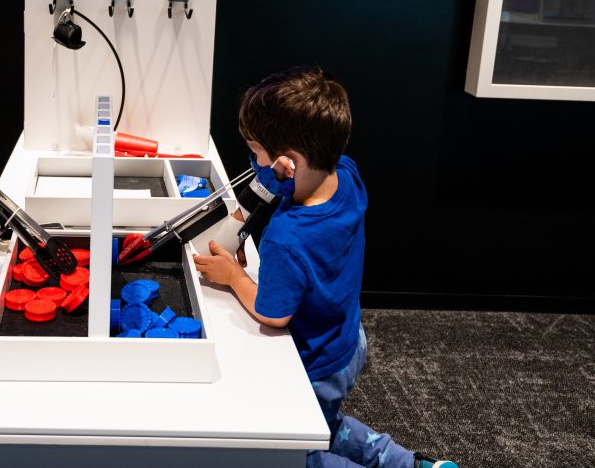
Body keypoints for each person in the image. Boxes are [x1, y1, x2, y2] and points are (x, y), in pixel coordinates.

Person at [193, 66, 457, 468]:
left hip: (313, 364)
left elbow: (273, 313)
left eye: (256, 151)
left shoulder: (287, 236)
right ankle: (415, 465)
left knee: (300, 450)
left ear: (288, 160)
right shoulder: (346, 173)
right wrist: (268, 186)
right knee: (329, 425)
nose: (255, 161)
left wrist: (234, 276)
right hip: (346, 341)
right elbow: (290, 192)